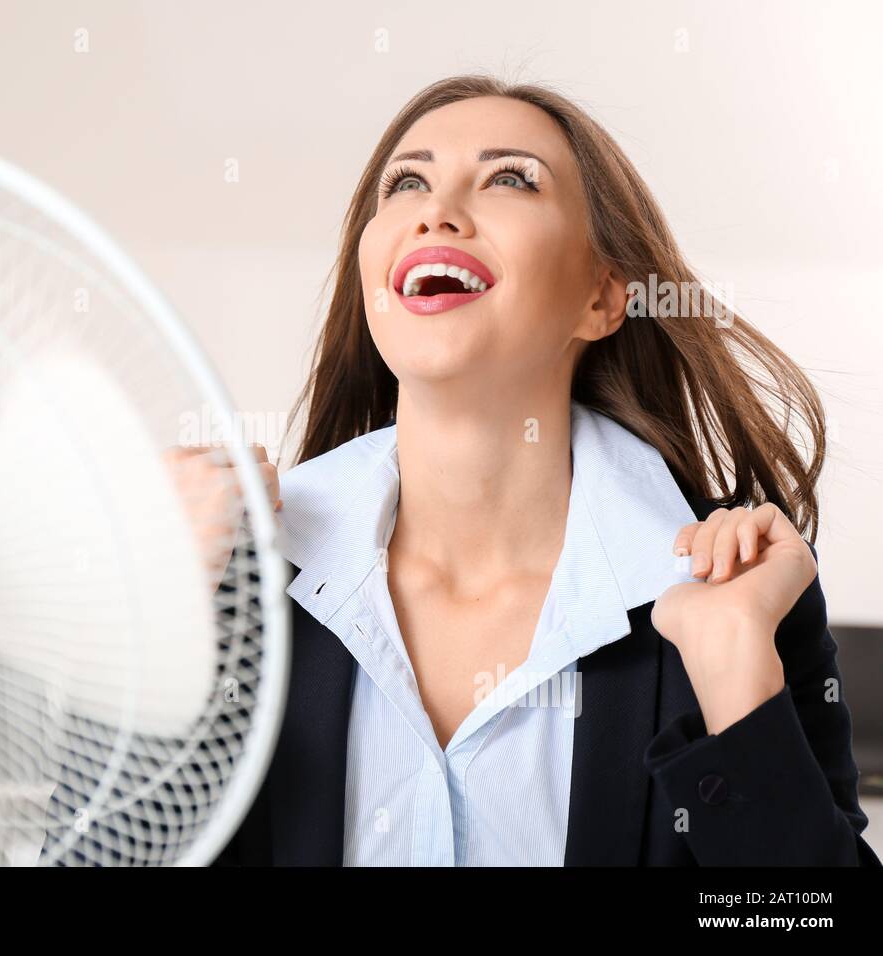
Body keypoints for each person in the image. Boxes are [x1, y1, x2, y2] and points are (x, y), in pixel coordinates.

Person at [173, 74, 879, 866]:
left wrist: (737, 679)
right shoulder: (229, 581)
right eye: (406, 182)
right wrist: (151, 623)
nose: (435, 211)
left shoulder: (738, 594)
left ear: (603, 297)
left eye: (511, 177)